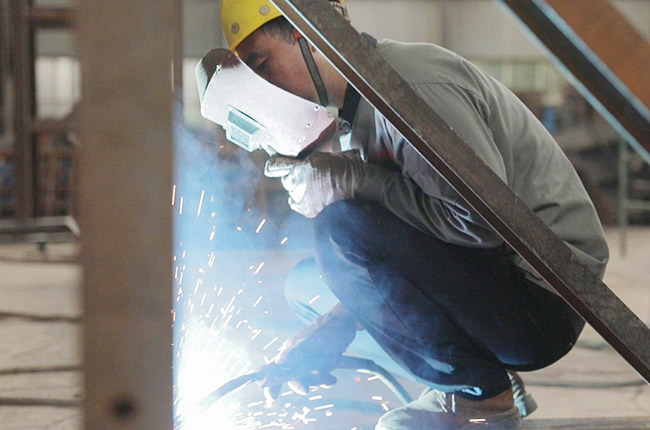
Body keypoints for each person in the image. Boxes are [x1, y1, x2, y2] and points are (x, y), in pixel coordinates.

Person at [216, 1, 610, 429]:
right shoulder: (355, 116)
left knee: (340, 230)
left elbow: (481, 223)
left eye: (263, 65)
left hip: (545, 298)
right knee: (307, 288)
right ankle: (481, 371)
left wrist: (359, 182)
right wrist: (335, 326)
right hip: (500, 285)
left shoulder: (407, 87)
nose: (265, 87)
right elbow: (402, 250)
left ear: (307, 35)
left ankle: (479, 396)